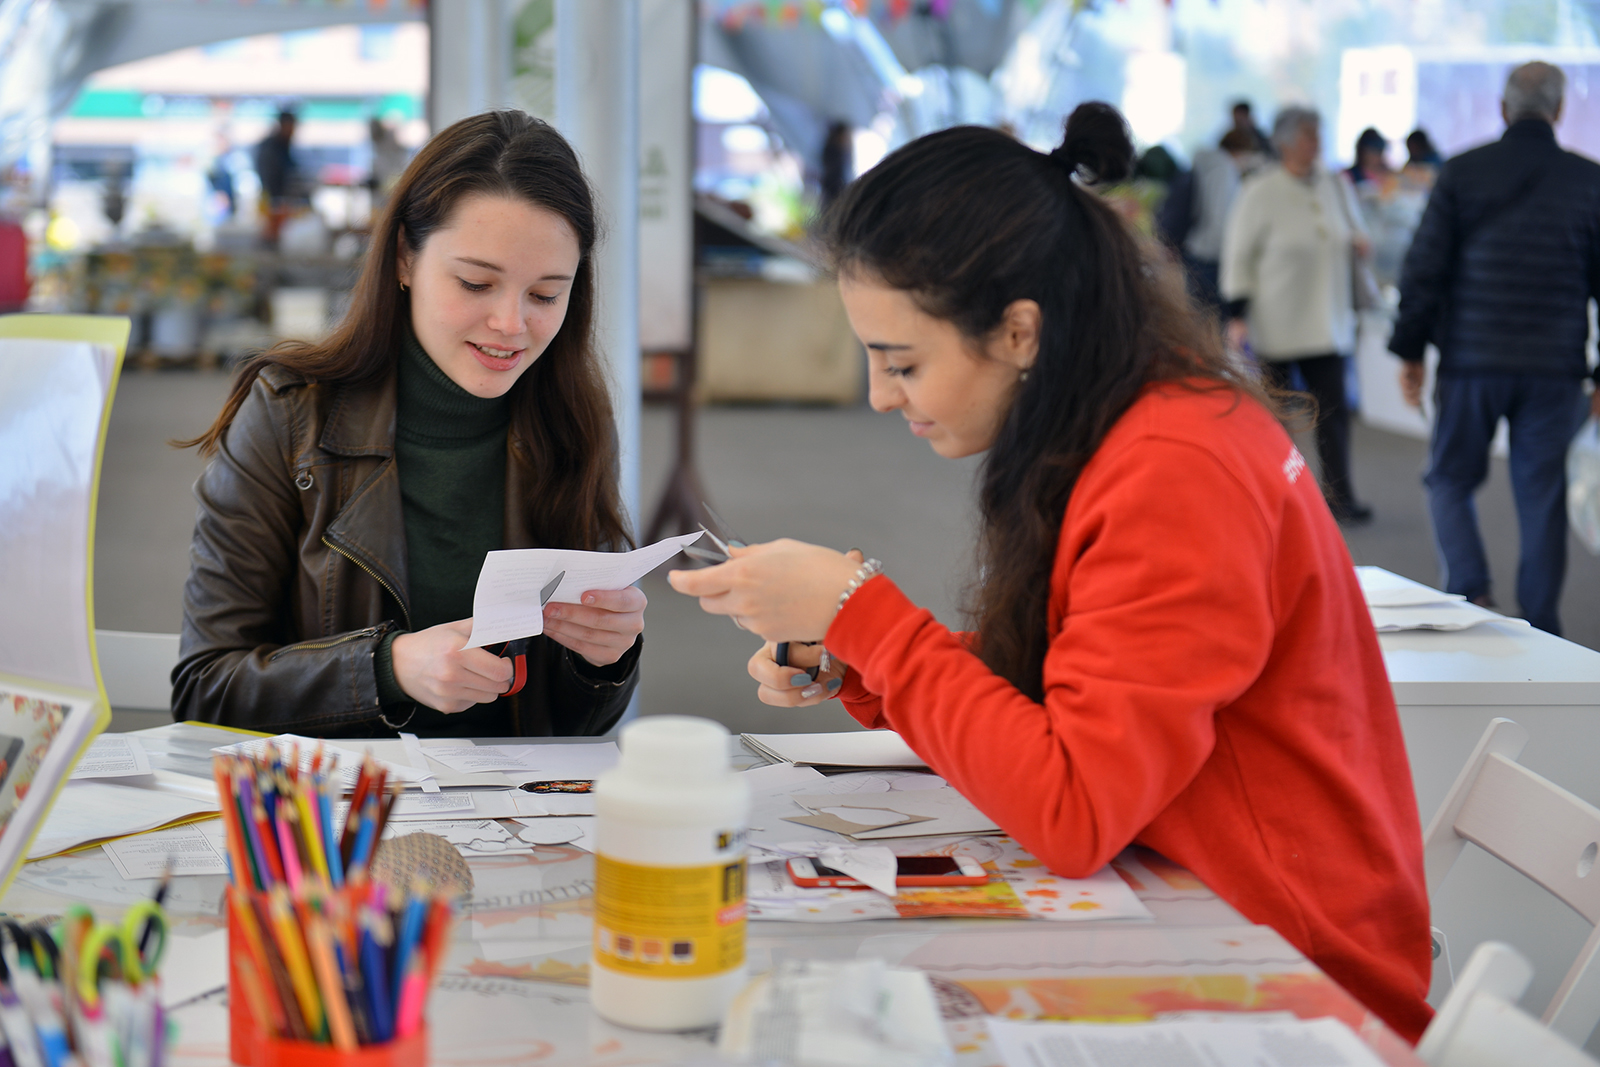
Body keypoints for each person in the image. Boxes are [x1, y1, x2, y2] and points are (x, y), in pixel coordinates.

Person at [668, 103, 1432, 1042]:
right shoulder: (1130, 426)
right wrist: (851, 653)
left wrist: (859, 613)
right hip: (1204, 915)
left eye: (901, 360)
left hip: (1295, 983)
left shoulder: (1172, 467)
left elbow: (1072, 808)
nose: (878, 395)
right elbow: (1063, 706)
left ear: (1020, 332)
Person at [173, 110, 646, 737]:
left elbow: (574, 732)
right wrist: (385, 669)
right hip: (333, 819)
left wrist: (605, 662)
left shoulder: (574, 423)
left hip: (510, 823)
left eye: (544, 295)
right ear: (404, 258)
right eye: (476, 283)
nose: (511, 324)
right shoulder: (289, 414)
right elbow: (205, 689)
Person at [1389, 61, 1600, 636]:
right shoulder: (1590, 181)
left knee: (1449, 479)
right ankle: (1543, 628)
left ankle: (1469, 593)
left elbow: (1423, 270)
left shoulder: (1461, 172)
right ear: (1558, 111)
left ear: (1503, 110)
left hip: (1471, 362)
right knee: (1543, 495)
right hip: (1555, 369)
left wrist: (1409, 352)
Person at [1221, 106, 1374, 524]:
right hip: (1277, 322)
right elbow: (1238, 254)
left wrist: (1360, 244)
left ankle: (1340, 496)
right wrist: (1236, 312)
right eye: (1308, 134)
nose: (1316, 143)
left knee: (1334, 415)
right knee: (1277, 418)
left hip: (1328, 320)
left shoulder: (1334, 184)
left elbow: (1356, 231)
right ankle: (1278, 498)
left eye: (1318, 133)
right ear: (1285, 141)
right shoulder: (1260, 189)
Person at [1157, 128, 1258, 310]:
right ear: (1242, 151)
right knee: (1213, 321)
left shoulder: (1205, 164)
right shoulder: (1224, 169)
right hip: (1210, 257)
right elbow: (1220, 218)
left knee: (1199, 316)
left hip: (1194, 250)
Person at [255, 109, 304, 246]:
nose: (293, 131)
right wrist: (278, 201)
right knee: (273, 238)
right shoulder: (271, 148)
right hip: (272, 204)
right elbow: (269, 178)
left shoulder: (284, 146)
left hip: (281, 204)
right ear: (283, 125)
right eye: (291, 127)